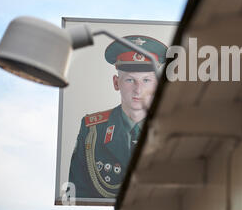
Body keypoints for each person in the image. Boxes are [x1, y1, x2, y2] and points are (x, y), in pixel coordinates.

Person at [68, 35, 168, 199]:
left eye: (146, 80)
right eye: (130, 80)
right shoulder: (93, 130)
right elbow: (76, 195)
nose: (138, 90)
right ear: (116, 83)